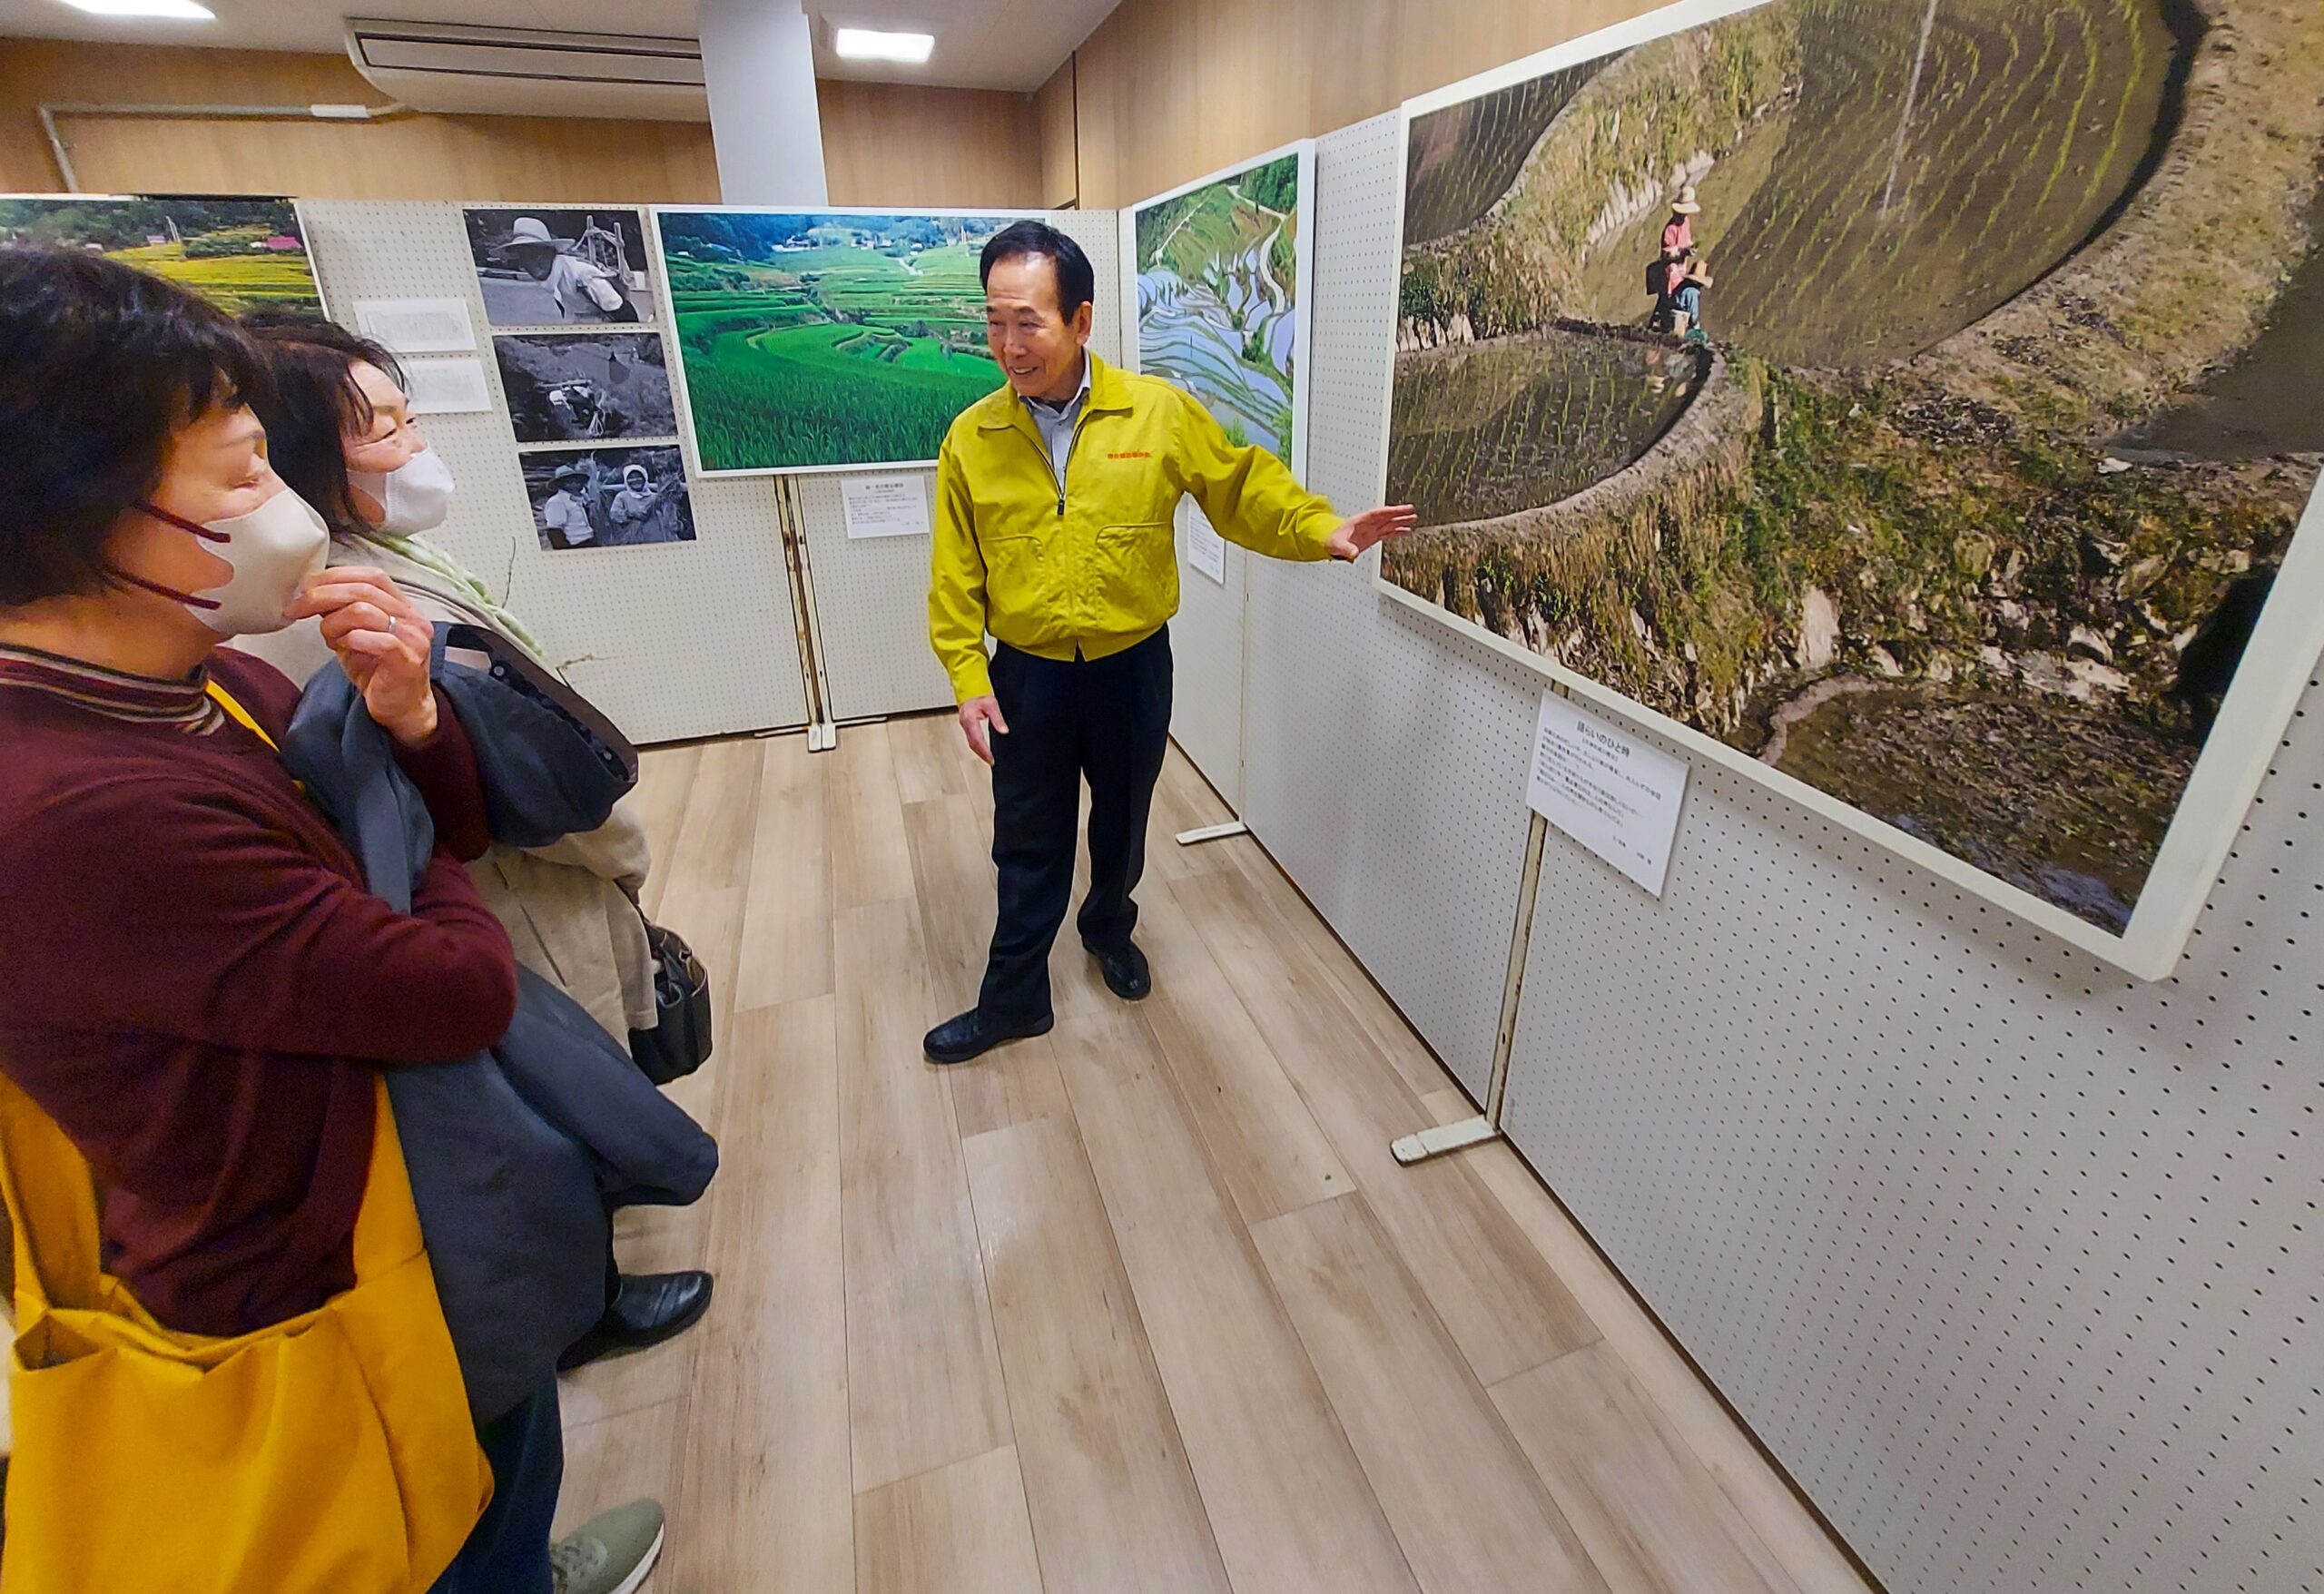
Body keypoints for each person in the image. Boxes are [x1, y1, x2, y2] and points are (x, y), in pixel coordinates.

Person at [0, 248, 662, 1594]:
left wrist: (407, 726)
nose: (283, 505)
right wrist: (399, 841)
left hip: (417, 1194)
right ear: (76, 508)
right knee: (430, 1526)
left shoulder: (205, 678)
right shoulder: (76, 806)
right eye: (243, 471)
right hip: (307, 1273)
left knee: (501, 1464)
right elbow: (454, 986)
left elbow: (440, 838)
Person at [233, 312, 715, 1374]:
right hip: (504, 893)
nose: (414, 446)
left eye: (406, 417)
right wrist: (611, 846)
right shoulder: (327, 610)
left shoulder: (374, 557)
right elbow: (484, 789)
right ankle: (583, 1307)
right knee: (550, 1096)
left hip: (522, 883)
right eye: (383, 429)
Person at [923, 221, 1418, 1065]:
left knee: (1123, 821)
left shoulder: (1156, 413)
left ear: (1081, 320)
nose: (1008, 345)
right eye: (995, 321)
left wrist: (1319, 530)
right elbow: (955, 573)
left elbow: (1239, 486)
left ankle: (1108, 929)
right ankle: (1015, 1000)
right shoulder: (972, 438)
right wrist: (969, 677)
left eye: (1028, 322)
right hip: (1029, 677)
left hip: (1131, 669)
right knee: (1027, 837)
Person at [497, 216, 640, 324]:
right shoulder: (551, 278)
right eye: (524, 257)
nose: (530, 263)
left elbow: (624, 313)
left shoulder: (582, 277)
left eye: (535, 255)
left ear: (550, 251)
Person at [542, 460, 598, 549]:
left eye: (576, 480)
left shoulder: (582, 498)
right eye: (568, 481)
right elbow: (554, 530)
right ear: (561, 484)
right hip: (575, 544)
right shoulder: (557, 501)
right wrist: (565, 549)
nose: (574, 483)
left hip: (590, 540)